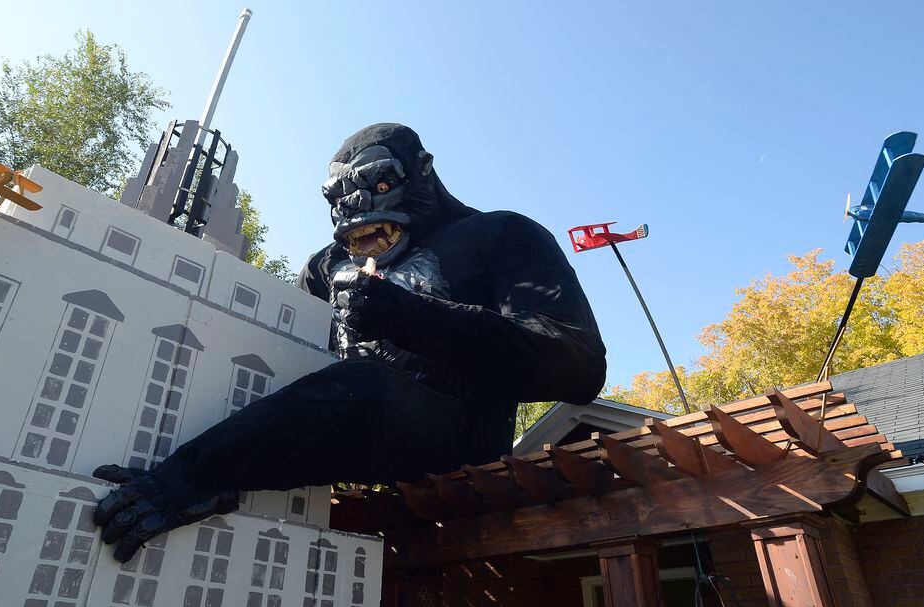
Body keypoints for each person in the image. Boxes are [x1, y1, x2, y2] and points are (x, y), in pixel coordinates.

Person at [93, 123, 607, 562]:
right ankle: (202, 472)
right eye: (338, 197)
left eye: (374, 182)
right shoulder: (324, 266)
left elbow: (580, 367)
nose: (354, 207)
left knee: (365, 386)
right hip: (338, 432)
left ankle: (188, 478)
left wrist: (415, 318)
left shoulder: (499, 234)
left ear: (421, 170)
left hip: (457, 438)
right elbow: (280, 351)